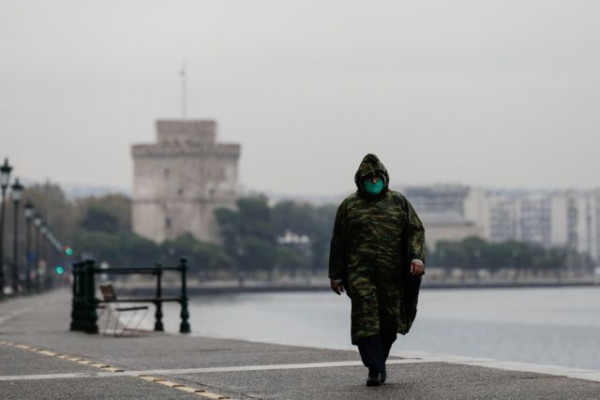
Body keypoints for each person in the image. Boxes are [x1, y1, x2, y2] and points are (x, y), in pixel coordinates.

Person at [329, 153, 425, 386]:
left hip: (392, 275)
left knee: (388, 322)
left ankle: (379, 362)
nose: (373, 181)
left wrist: (416, 257)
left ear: (384, 177)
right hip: (360, 274)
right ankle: (375, 368)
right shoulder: (349, 206)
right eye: (369, 177)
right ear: (360, 179)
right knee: (365, 320)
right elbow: (338, 241)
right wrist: (336, 274)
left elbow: (415, 231)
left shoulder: (399, 202)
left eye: (377, 176)